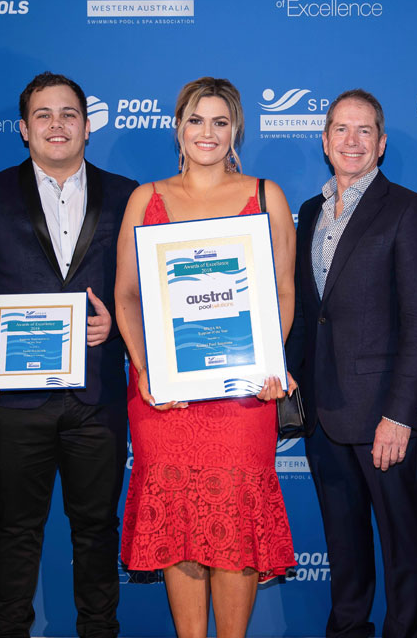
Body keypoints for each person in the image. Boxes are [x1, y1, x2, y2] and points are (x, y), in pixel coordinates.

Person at [0, 72, 137, 637]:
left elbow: (148, 290)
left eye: (69, 113)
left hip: (96, 398)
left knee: (97, 530)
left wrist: (119, 328)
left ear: (87, 126)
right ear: (24, 129)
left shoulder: (128, 196)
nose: (57, 124)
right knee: (17, 531)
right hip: (14, 401)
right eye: (43, 115)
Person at [114, 77, 296, 638]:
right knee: (178, 520)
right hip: (164, 397)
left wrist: (269, 362)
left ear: (236, 128)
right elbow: (126, 295)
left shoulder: (266, 196)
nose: (207, 133)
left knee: (234, 516)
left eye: (220, 121)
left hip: (242, 397)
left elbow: (283, 292)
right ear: (178, 127)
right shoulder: (146, 198)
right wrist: (145, 369)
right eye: (196, 120)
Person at [290, 89, 417, 638]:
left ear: (381, 144)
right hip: (323, 414)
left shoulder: (408, 209)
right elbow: (310, 311)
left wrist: (400, 415)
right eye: (341, 129)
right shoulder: (310, 211)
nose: (351, 141)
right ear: (325, 140)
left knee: (403, 551)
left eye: (364, 131)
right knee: (344, 550)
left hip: (384, 418)